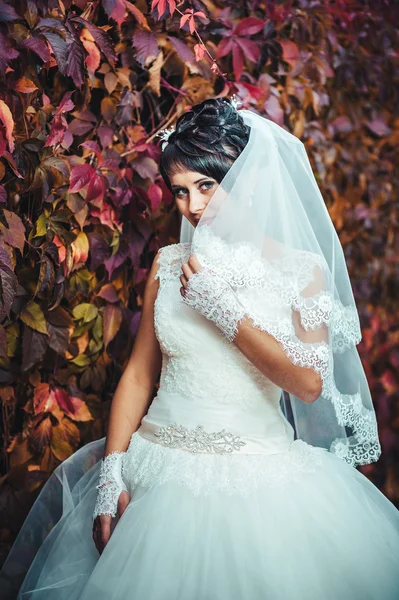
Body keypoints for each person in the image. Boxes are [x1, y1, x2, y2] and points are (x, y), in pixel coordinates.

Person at [1, 97, 399, 600]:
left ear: (248, 179)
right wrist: (111, 476)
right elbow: (139, 377)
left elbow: (309, 382)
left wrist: (228, 314)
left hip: (251, 483)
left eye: (207, 186)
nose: (191, 206)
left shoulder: (301, 271)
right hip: (152, 473)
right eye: (181, 190)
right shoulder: (170, 263)